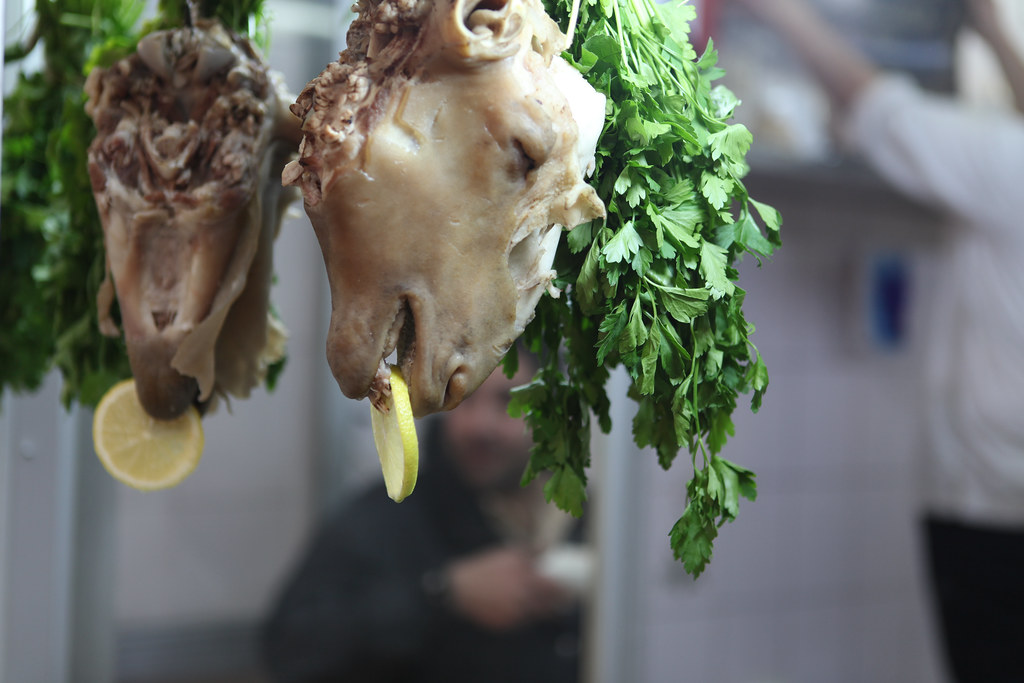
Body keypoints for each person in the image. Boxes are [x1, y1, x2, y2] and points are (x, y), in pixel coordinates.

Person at [731, 1, 1024, 680]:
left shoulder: (1010, 169)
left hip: (987, 508)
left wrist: (780, 13)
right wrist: (993, 29)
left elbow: (881, 107)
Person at [261, 352, 591, 683]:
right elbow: (291, 644)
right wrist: (442, 594)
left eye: (508, 400)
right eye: (462, 397)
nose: (480, 426)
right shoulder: (386, 517)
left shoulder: (593, 520)